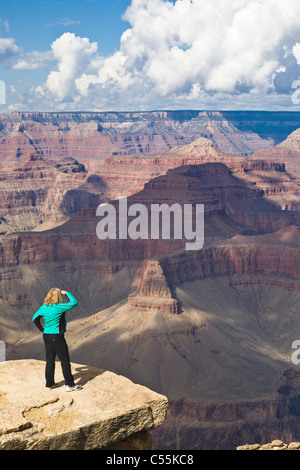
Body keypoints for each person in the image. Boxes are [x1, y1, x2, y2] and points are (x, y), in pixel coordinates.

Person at [32, 288, 82, 392]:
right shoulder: (59, 307)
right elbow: (74, 303)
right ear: (58, 296)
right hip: (57, 337)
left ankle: (49, 384)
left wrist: (42, 329)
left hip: (46, 336)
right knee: (65, 361)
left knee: (50, 361)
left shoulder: (44, 306)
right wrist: (67, 293)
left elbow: (35, 318)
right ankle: (70, 385)